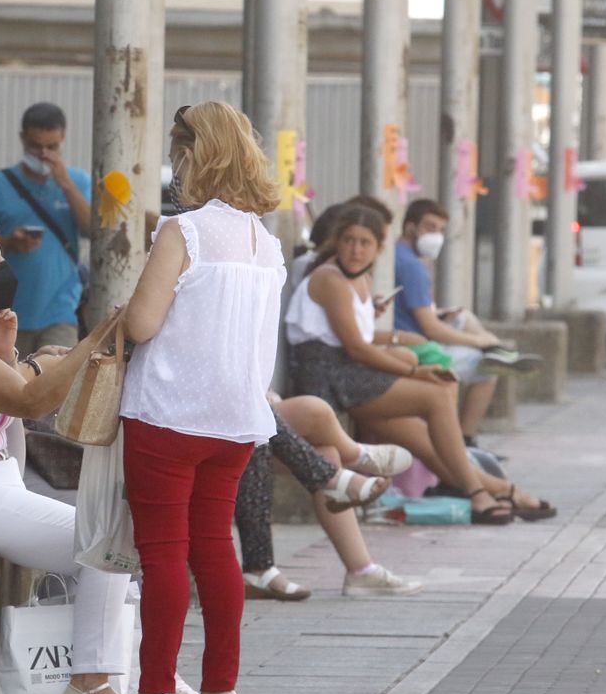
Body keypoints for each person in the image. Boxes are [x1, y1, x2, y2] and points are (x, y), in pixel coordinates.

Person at [0, 213, 185, 694]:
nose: (0, 264)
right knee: (103, 545)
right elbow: (30, 401)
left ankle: (153, 683)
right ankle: (92, 686)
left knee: (112, 551)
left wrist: (10, 354)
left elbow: (7, 406)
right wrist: (94, 338)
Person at [97, 101, 284, 694]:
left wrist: (125, 310)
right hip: (235, 421)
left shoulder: (186, 232)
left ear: (189, 153)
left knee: (164, 554)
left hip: (168, 414)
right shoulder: (267, 243)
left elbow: (145, 325)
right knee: (214, 550)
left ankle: (154, 692)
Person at [286, 206, 556, 524]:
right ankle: (477, 493)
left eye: (364, 243)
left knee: (424, 439)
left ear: (378, 248)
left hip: (347, 373)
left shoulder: (359, 277)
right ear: (337, 241)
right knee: (437, 394)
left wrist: (401, 340)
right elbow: (356, 348)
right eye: (348, 241)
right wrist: (414, 371)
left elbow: (362, 336)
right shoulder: (329, 277)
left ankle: (500, 489)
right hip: (328, 377)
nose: (356, 250)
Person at [237, 395, 422, 601]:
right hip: (221, 413)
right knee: (312, 410)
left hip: (245, 409)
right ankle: (354, 460)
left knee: (327, 451)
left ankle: (362, 570)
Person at [393, 198, 542, 444]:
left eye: (441, 230)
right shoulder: (412, 266)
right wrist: (476, 341)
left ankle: (496, 349)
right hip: (415, 345)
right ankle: (465, 439)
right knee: (487, 370)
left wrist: (444, 316)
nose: (437, 236)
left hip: (410, 333)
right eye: (430, 228)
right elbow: (431, 328)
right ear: (410, 227)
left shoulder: (398, 256)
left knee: (462, 315)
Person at [0, 102, 91, 355]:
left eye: (52, 147)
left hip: (60, 311)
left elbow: (93, 231)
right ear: (23, 139)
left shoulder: (78, 181)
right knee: (8, 387)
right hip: (4, 310)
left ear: (63, 139)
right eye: (36, 146)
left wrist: (65, 184)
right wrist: (9, 244)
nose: (44, 154)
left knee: (56, 385)